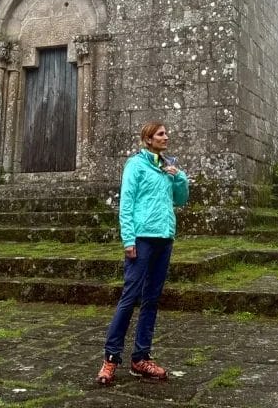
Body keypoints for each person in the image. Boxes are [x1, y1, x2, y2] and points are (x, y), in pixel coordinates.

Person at [95, 122, 190, 386]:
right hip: (141, 239)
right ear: (148, 139)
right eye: (160, 134)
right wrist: (128, 239)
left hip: (164, 239)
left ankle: (141, 358)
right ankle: (111, 358)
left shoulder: (168, 166)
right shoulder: (136, 165)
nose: (166, 137)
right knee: (130, 297)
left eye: (166, 133)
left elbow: (181, 199)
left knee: (151, 300)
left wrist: (179, 176)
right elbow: (127, 203)